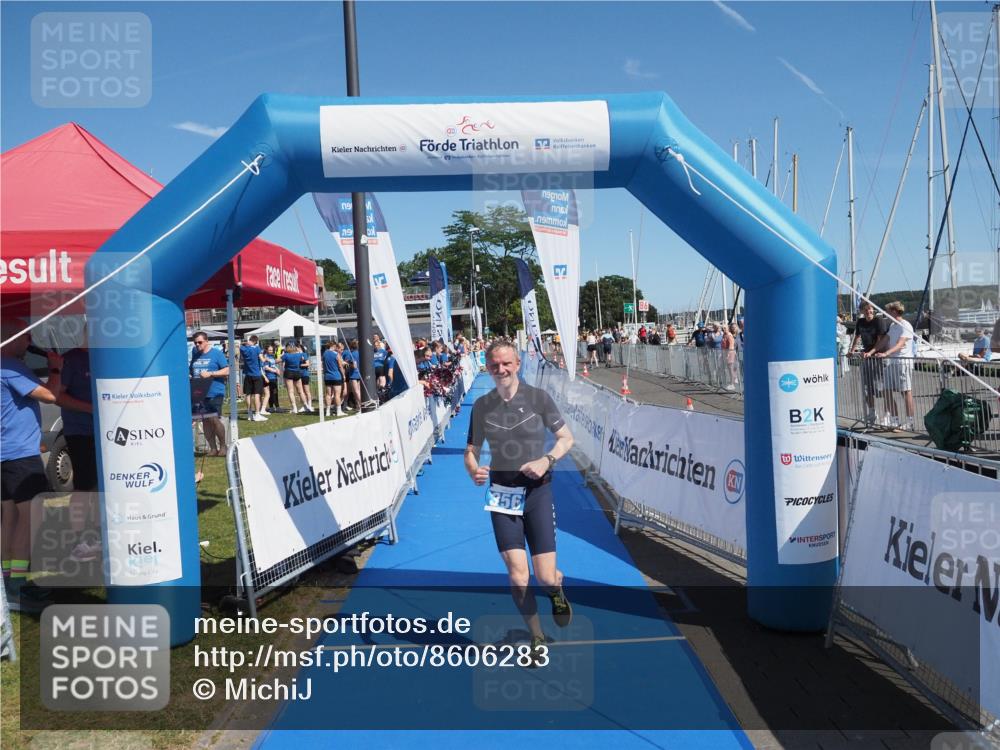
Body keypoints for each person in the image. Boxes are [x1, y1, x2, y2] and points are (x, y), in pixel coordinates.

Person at [464, 340, 574, 660]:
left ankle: (556, 589)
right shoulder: (483, 406)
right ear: (488, 367)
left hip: (537, 492)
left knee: (544, 576)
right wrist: (473, 469)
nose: (502, 370)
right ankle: (537, 636)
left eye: (507, 364)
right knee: (517, 574)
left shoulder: (539, 399)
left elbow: (566, 438)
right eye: (495, 365)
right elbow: (470, 452)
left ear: (518, 364)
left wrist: (546, 460)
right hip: (502, 494)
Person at [2, 320, 89, 610]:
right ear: (11, 338)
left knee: (8, 519)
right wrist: (54, 368)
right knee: (28, 520)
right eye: (25, 336)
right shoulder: (10, 366)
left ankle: (7, 582)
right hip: (19, 456)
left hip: (5, 455)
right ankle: (18, 587)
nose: (29, 342)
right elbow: (52, 394)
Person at [59, 342, 101, 563]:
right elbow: (58, 395)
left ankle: (96, 537)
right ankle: (78, 541)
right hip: (81, 432)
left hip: (107, 433)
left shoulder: (105, 355)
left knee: (98, 486)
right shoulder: (71, 359)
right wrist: (93, 409)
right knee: (84, 486)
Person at [875, 301, 915, 431]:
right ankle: (894, 420)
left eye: (888, 311)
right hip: (892, 362)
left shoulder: (905, 325)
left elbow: (900, 343)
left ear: (894, 312)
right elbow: (885, 340)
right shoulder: (893, 326)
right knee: (886, 391)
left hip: (903, 362)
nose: (886, 314)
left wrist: (886, 353)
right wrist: (870, 352)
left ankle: (910, 422)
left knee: (906, 392)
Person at [190, 332, 229, 456]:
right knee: (205, 420)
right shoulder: (195, 353)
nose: (197, 344)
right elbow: (192, 369)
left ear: (207, 341)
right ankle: (212, 448)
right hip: (199, 392)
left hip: (215, 391)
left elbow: (227, 370)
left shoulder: (216, 353)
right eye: (195, 342)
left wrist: (211, 373)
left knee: (214, 418)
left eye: (200, 342)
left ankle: (223, 446)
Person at [854, 302, 891, 428]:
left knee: (882, 388)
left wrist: (871, 352)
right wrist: (851, 350)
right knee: (867, 387)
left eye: (870, 310)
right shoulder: (860, 322)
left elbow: (881, 340)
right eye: (866, 310)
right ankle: (871, 412)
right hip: (867, 357)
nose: (869, 312)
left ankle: (887, 414)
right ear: (862, 312)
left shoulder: (879, 321)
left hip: (878, 356)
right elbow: (857, 336)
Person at [240, 335, 267, 422]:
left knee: (248, 394)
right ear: (256, 341)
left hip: (248, 375)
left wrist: (244, 343)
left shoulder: (244, 349)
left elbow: (240, 345)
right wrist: (266, 359)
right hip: (256, 374)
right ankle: (257, 414)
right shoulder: (257, 348)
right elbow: (262, 359)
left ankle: (249, 414)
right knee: (257, 394)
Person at [280, 342, 308, 414]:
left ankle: (294, 408)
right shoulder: (299, 354)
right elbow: (304, 358)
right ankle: (306, 406)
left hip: (289, 373)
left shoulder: (286, 355)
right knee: (300, 391)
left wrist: (281, 355)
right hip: (297, 373)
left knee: (291, 391)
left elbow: (277, 361)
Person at [323, 340, 345, 417]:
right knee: (337, 395)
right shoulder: (336, 354)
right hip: (336, 376)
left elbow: (324, 365)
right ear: (334, 346)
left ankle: (327, 411)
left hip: (327, 376)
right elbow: (340, 366)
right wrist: (344, 375)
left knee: (328, 394)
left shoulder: (324, 354)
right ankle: (339, 411)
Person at [262, 344, 280, 412]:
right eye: (269, 350)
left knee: (275, 392)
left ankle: (277, 406)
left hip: (274, 376)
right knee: (270, 393)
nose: (271, 351)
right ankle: (272, 407)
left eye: (272, 350)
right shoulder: (265, 357)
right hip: (269, 377)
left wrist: (277, 370)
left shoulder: (272, 356)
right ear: (266, 350)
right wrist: (275, 371)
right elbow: (266, 367)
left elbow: (273, 365)